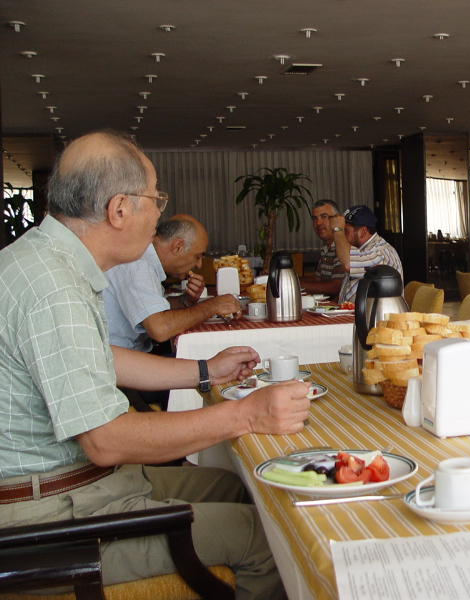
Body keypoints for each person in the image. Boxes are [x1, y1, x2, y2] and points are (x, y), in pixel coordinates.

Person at [0, 130, 310, 600]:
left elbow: (101, 360)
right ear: (119, 209)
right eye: (156, 198)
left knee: (235, 488)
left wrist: (205, 371)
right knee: (265, 533)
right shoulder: (54, 288)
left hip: (70, 482)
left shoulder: (44, 259)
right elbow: (106, 440)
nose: (161, 213)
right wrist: (247, 414)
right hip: (51, 514)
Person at [104, 213, 241, 353]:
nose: (199, 265)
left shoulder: (143, 257)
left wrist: (186, 301)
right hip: (115, 360)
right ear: (177, 247)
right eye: (197, 256)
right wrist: (212, 306)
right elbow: (160, 329)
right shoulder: (138, 263)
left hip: (129, 353)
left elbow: (154, 309)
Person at [329, 204, 403, 303]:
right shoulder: (362, 250)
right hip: (354, 315)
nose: (343, 236)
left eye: (346, 231)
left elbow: (348, 263)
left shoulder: (380, 252)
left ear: (363, 232)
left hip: (376, 317)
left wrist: (337, 230)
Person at [298, 199, 346, 296]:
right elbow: (317, 279)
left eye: (324, 217)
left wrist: (292, 284)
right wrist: (286, 279)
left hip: (340, 308)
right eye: (314, 218)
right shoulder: (326, 249)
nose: (318, 222)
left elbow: (336, 286)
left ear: (337, 219)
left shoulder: (343, 247)